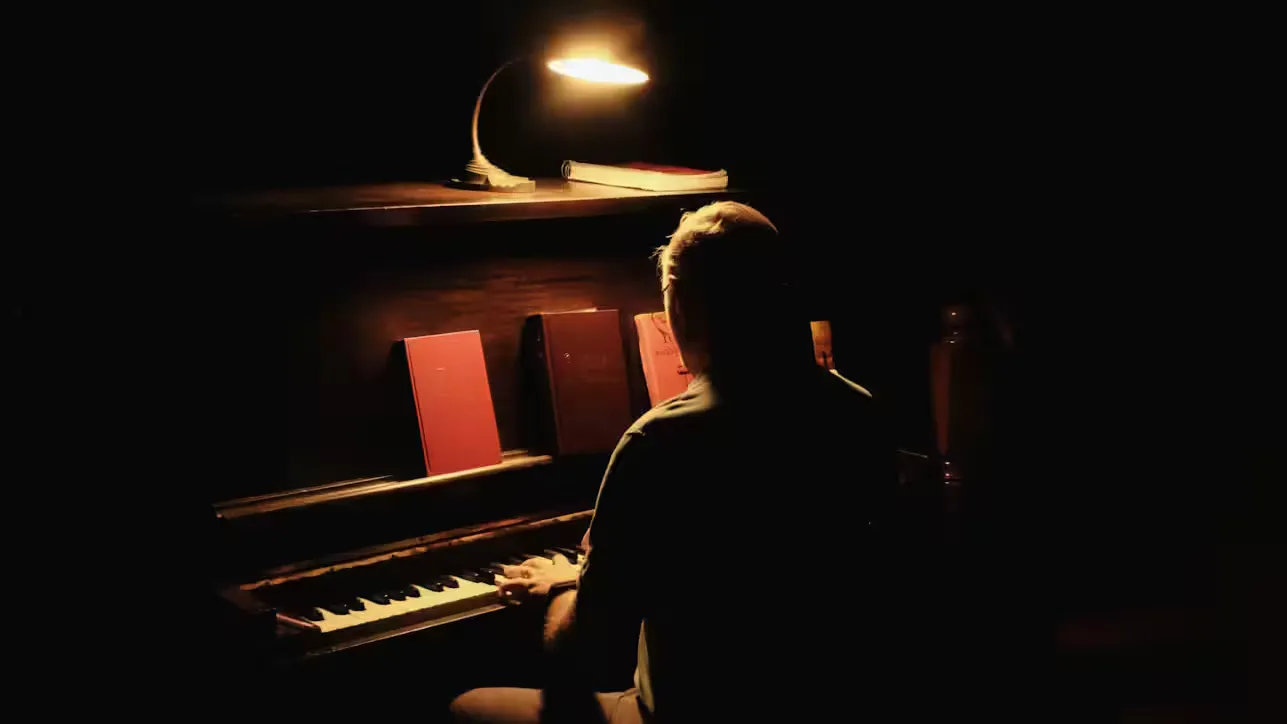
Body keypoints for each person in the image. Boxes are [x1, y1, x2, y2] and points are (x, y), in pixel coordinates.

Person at [451, 202, 895, 723]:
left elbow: (590, 651)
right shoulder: (859, 412)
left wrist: (563, 591)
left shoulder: (660, 440)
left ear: (678, 309)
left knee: (467, 707)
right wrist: (592, 579)